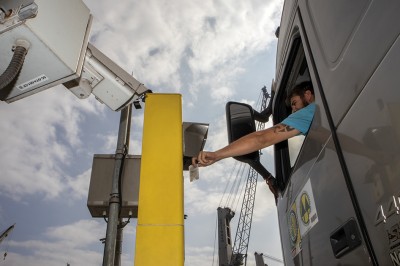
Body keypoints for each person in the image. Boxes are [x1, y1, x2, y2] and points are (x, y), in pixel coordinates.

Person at [192, 81, 315, 197]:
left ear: (308, 95)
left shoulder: (308, 112)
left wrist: (217, 155)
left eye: (294, 103)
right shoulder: (315, 115)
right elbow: (265, 117)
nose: (293, 111)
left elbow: (261, 139)